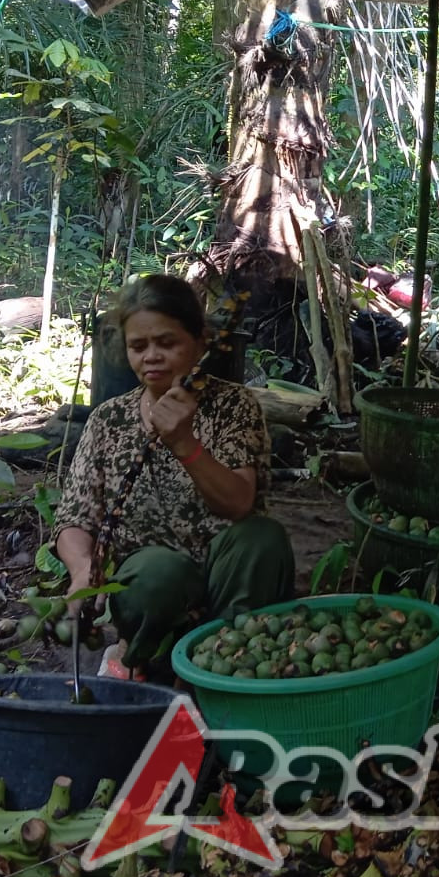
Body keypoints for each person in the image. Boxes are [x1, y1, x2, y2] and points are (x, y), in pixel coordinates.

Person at [55, 274, 296, 679]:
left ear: (199, 343)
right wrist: (83, 570)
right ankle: (143, 655)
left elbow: (239, 503)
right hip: (153, 590)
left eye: (166, 343)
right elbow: (75, 517)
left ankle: (233, 659)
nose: (151, 356)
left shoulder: (233, 406)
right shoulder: (109, 420)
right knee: (158, 572)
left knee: (262, 539)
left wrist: (185, 443)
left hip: (227, 580)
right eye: (138, 346)